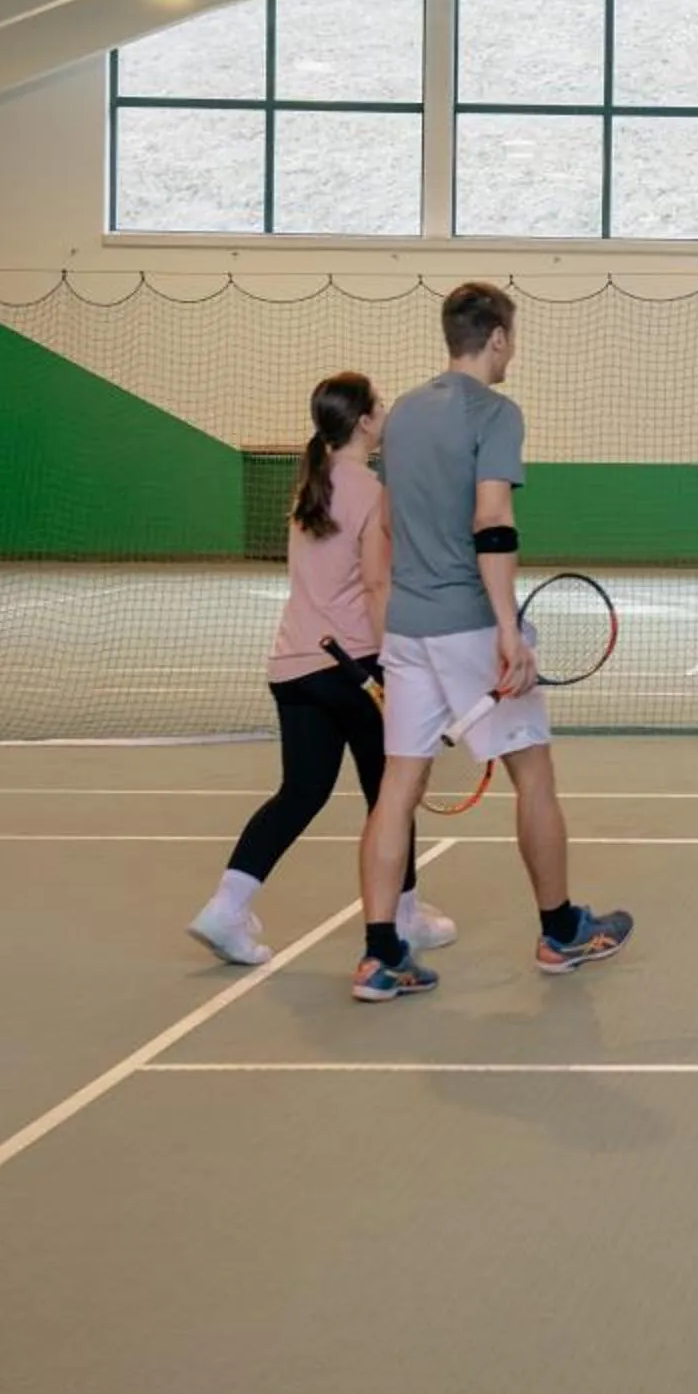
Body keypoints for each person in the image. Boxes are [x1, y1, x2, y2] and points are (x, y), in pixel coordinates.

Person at [353, 282, 630, 1001]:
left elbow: (382, 530)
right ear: (498, 337)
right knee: (533, 776)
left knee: (397, 788)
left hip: (409, 629)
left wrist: (390, 622)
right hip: (471, 624)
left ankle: (381, 954)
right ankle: (561, 931)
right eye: (515, 335)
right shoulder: (497, 413)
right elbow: (492, 520)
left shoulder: (404, 415)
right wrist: (510, 633)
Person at [188, 373, 454, 968]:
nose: (386, 412)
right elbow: (378, 584)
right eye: (379, 406)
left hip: (294, 665)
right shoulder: (370, 491)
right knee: (391, 795)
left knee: (301, 791)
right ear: (363, 421)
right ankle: (403, 916)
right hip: (352, 665)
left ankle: (227, 906)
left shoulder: (309, 485)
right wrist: (395, 665)